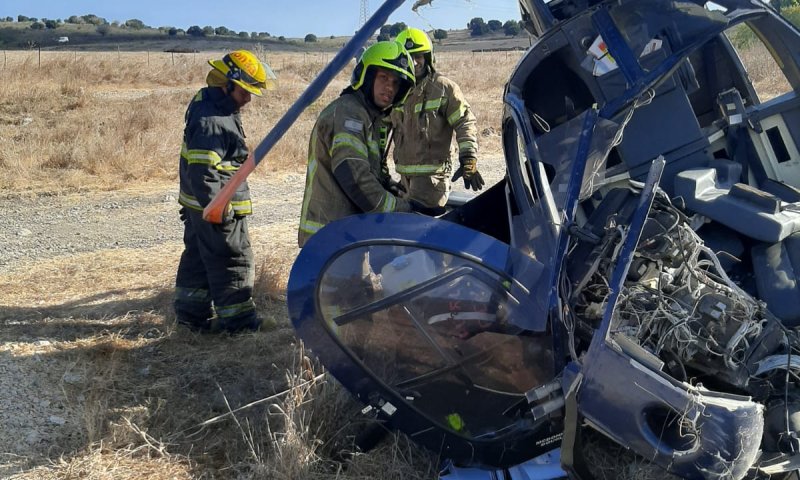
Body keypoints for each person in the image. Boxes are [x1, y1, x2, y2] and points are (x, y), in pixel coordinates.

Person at [174, 50, 277, 333]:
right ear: (227, 83)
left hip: (199, 207)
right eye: (244, 91)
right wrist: (221, 209)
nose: (249, 98)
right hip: (214, 207)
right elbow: (204, 171)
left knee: (197, 258)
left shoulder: (211, 105)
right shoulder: (214, 119)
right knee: (232, 259)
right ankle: (240, 323)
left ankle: (190, 318)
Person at [298, 41, 418, 248]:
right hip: (331, 236)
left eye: (396, 83)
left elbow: (369, 172)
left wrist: (395, 190)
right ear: (367, 77)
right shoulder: (348, 114)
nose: (390, 87)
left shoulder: (368, 117)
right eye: (383, 78)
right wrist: (400, 209)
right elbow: (353, 175)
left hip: (347, 234)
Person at [391, 27, 484, 208]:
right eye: (409, 57)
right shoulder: (397, 90)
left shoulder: (443, 88)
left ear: (428, 57)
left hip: (432, 182)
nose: (415, 62)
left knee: (419, 228)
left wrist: (469, 157)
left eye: (419, 56)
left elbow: (465, 121)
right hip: (403, 180)